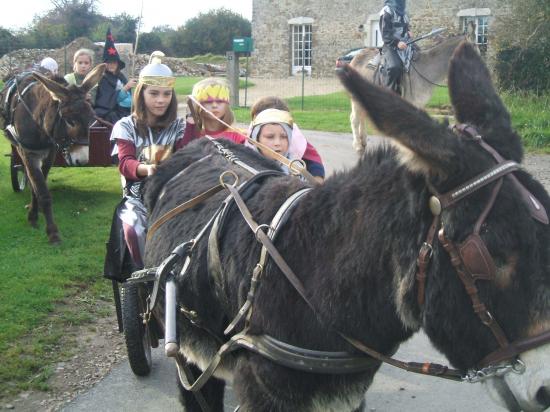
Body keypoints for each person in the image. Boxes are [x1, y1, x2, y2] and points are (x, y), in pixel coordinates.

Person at [108, 51, 184, 268]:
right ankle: (144, 274)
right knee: (134, 227)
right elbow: (125, 163)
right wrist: (147, 169)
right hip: (137, 198)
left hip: (172, 195)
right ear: (141, 94)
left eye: (166, 94)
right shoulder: (125, 126)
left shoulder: (179, 127)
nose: (161, 100)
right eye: (154, 94)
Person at [250, 96, 325, 182]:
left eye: (284, 137)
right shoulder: (248, 142)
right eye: (270, 137)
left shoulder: (297, 140)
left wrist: (315, 183)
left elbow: (314, 161)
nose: (277, 143)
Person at [181, 77, 246, 146]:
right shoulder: (191, 135)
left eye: (220, 101)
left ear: (227, 105)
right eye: (208, 102)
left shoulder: (239, 136)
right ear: (197, 106)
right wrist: (191, 114)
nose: (214, 105)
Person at [94, 28, 137, 124]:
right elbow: (108, 100)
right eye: (108, 63)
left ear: (118, 64)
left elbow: (129, 93)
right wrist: (126, 88)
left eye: (113, 62)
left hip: (127, 110)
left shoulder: (121, 76)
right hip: (113, 112)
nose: (111, 65)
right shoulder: (103, 79)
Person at [379, 0, 412, 94]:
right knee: (394, 67)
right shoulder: (387, 11)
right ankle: (388, 94)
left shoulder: (404, 12)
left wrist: (408, 31)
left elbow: (405, 26)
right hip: (391, 46)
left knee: (420, 57)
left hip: (406, 44)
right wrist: (397, 43)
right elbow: (385, 34)